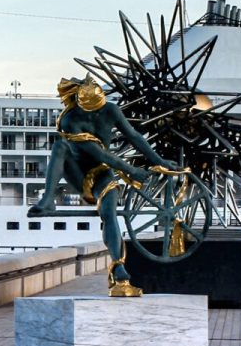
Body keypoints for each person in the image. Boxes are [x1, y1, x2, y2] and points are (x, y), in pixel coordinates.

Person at [28, 78, 182, 295]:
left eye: (99, 108)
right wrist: (132, 170)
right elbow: (99, 153)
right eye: (91, 111)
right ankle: (48, 200)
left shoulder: (110, 109)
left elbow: (134, 136)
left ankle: (119, 267)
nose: (96, 115)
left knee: (109, 214)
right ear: (80, 104)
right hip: (79, 174)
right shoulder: (70, 120)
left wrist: (160, 162)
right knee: (60, 146)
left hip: (103, 173)